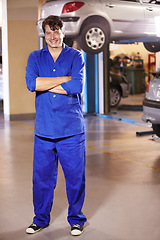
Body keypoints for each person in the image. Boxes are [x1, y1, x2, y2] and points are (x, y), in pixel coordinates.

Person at [25, 15, 87, 236]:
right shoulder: (35, 57)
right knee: (41, 179)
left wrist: (45, 83)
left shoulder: (76, 56)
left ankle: (76, 220)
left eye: (56, 31)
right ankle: (40, 219)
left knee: (75, 178)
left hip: (71, 130)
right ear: (44, 34)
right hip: (44, 130)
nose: (53, 36)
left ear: (63, 32)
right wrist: (64, 81)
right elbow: (32, 84)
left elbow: (77, 86)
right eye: (48, 32)